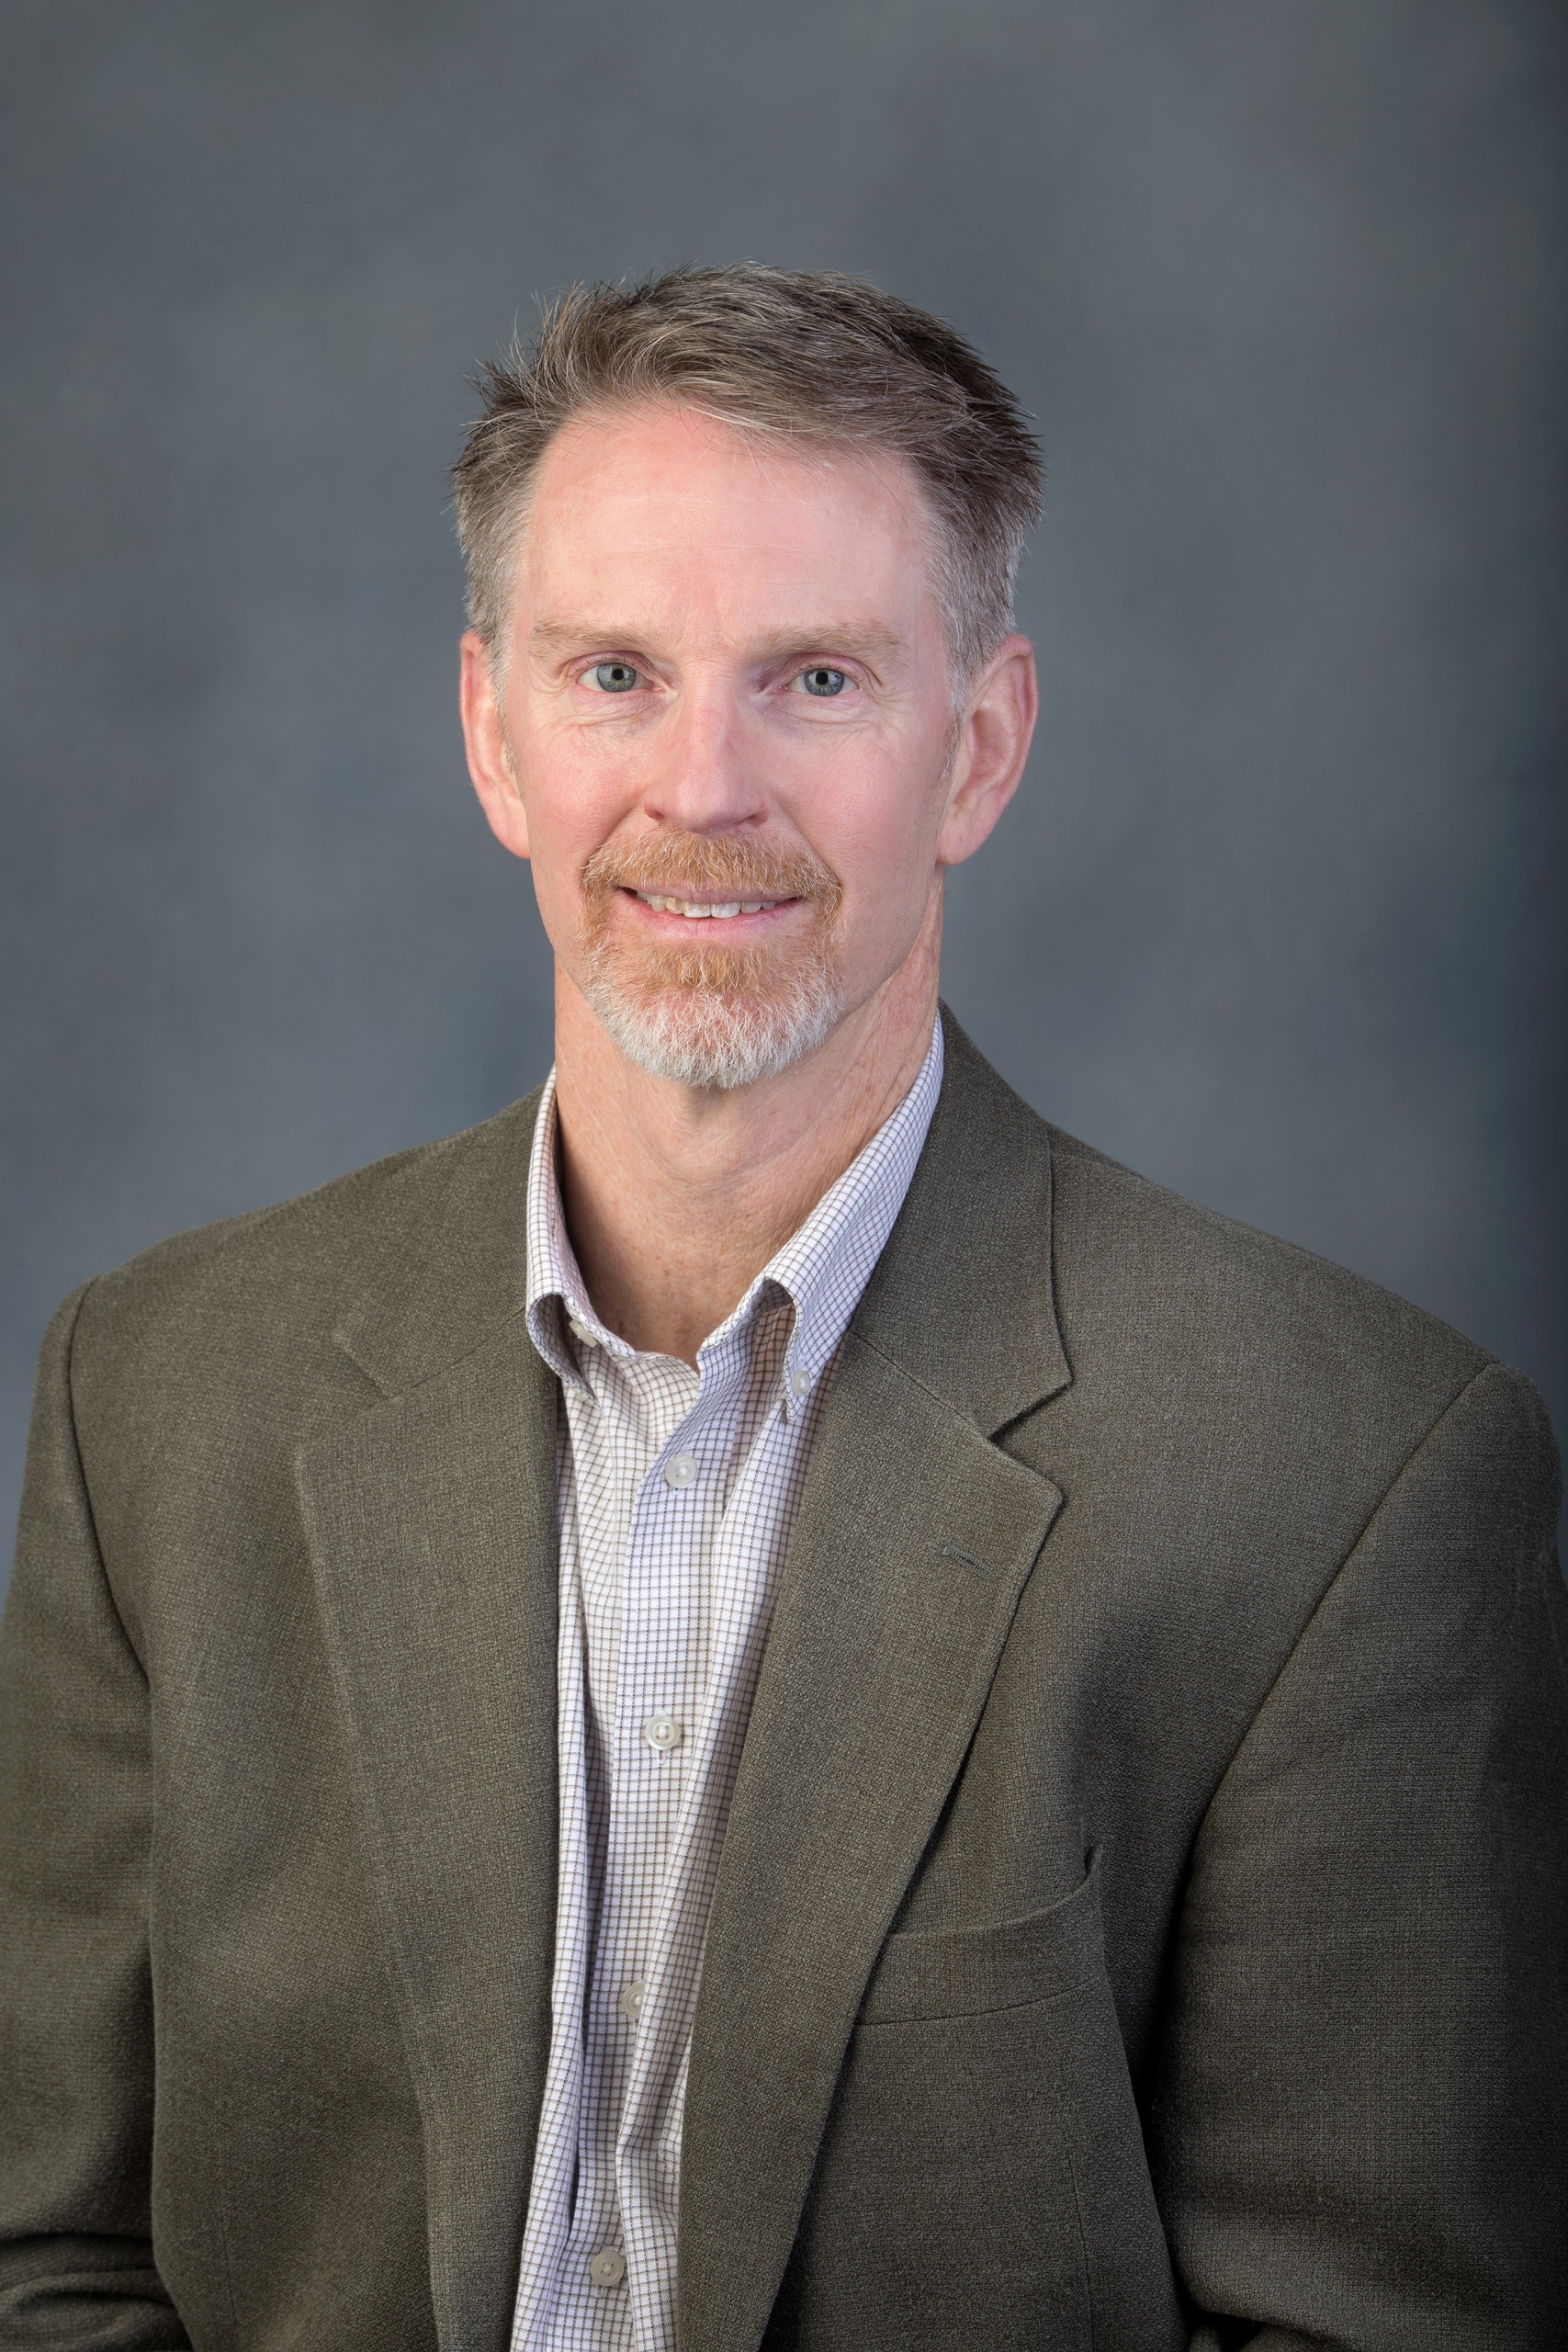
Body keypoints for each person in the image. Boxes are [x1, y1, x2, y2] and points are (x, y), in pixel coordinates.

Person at [0, 266, 1562, 2352]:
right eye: (614, 673)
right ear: (491, 735)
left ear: (978, 749)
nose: (702, 785)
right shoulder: (158, 1397)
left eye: (814, 679)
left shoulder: (1343, 1479)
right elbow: (50, 2259)